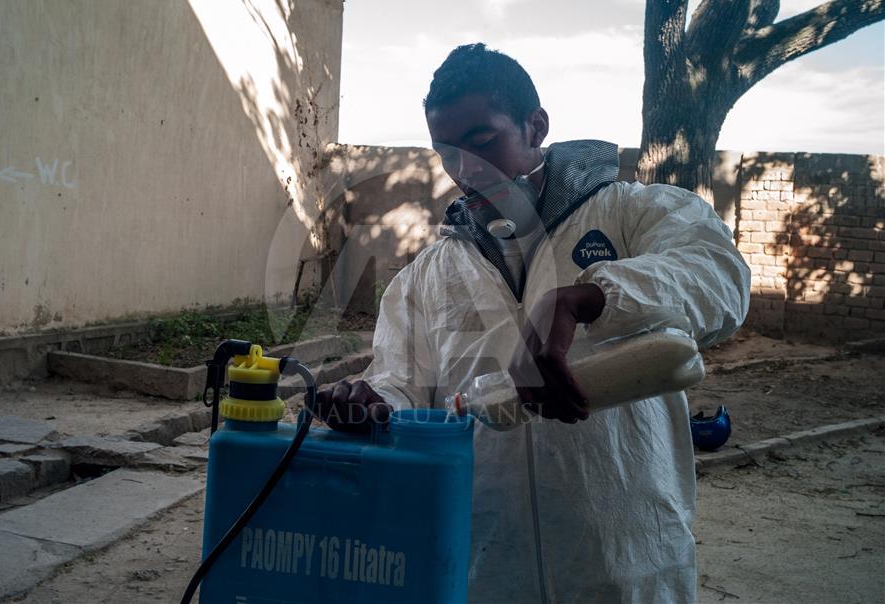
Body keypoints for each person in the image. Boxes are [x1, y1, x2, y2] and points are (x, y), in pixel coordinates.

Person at [316, 43, 750, 603]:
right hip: (486, 572)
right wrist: (372, 401)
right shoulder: (428, 275)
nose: (465, 169)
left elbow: (720, 277)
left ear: (535, 126)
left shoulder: (631, 214)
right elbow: (403, 385)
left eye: (482, 142)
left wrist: (591, 296)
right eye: (447, 152)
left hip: (627, 569)